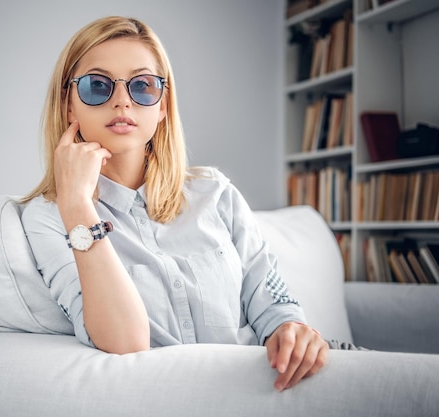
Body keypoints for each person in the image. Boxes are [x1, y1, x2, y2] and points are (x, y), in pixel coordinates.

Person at [21, 15, 329, 392]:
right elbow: (125, 342)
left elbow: (271, 299)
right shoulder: (50, 217)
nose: (122, 100)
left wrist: (291, 329)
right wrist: (77, 206)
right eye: (97, 86)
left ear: (162, 105)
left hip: (267, 392)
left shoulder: (215, 193)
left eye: (143, 86)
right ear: (69, 106)